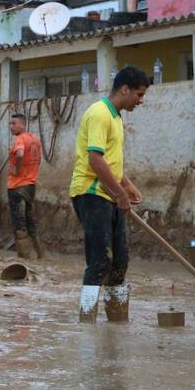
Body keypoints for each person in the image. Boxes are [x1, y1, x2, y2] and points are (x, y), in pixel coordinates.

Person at [70, 66, 147, 323]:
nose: (141, 100)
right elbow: (95, 159)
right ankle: (87, 322)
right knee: (100, 259)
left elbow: (111, 162)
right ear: (124, 89)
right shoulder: (99, 114)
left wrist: (127, 185)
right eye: (139, 94)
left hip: (109, 192)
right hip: (91, 192)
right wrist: (121, 194)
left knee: (120, 260)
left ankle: (117, 323)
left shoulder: (116, 118)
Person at [7, 113, 43, 259]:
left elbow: (20, 154)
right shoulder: (35, 139)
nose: (11, 126)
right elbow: (39, 160)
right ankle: (40, 254)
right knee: (30, 219)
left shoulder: (19, 139)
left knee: (19, 221)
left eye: (14, 123)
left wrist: (17, 169)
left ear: (23, 124)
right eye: (10, 123)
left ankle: (24, 257)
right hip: (30, 185)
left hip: (17, 186)